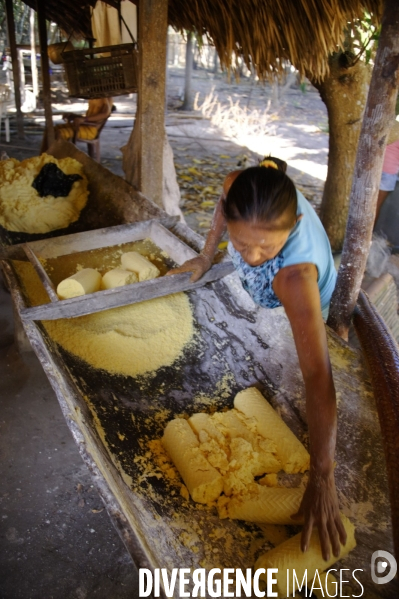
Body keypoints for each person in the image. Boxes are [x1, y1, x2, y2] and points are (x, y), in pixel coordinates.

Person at [168, 158, 347, 561]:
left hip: (310, 300)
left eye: (267, 246)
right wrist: (206, 254)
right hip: (274, 273)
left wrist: (323, 472)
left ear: (295, 221)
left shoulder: (294, 279)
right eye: (242, 243)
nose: (251, 256)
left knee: (315, 344)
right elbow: (223, 199)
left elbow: (319, 376)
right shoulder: (240, 186)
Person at [41, 97, 113, 152]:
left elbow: (105, 114)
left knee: (60, 133)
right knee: (51, 130)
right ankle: (42, 156)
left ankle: (57, 159)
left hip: (91, 130)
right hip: (84, 125)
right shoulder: (94, 96)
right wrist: (73, 115)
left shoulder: (106, 97)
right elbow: (89, 117)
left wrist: (84, 119)